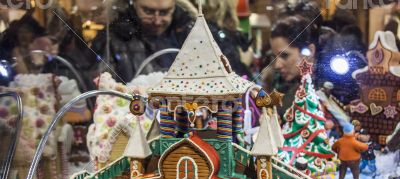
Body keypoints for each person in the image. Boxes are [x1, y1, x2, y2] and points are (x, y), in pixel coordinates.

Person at [91, 0, 248, 83]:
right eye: (148, 11)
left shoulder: (194, 34)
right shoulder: (112, 39)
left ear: (175, 5)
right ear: (133, 4)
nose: (157, 20)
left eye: (165, 12)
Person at [268, 15, 319, 117]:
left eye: (284, 55)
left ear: (309, 51)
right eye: (274, 57)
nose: (277, 65)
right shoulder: (278, 83)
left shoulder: (324, 91)